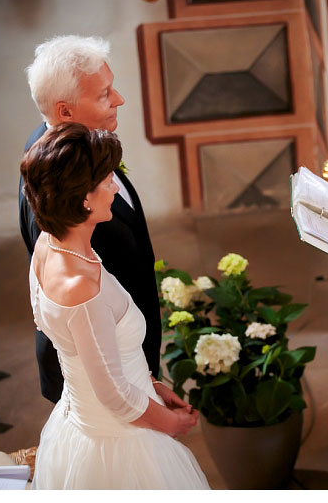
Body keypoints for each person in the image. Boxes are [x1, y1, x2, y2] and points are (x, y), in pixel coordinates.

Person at [21, 123, 209, 489]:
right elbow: (114, 396)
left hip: (80, 420)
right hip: (120, 443)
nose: (115, 188)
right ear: (84, 199)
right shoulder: (81, 287)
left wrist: (151, 384)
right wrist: (172, 424)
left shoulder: (48, 244)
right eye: (108, 180)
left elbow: (85, 348)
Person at [19, 35, 162, 404]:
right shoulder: (55, 196)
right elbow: (80, 311)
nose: (119, 99)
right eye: (104, 94)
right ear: (65, 111)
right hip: (106, 373)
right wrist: (143, 380)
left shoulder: (71, 149)